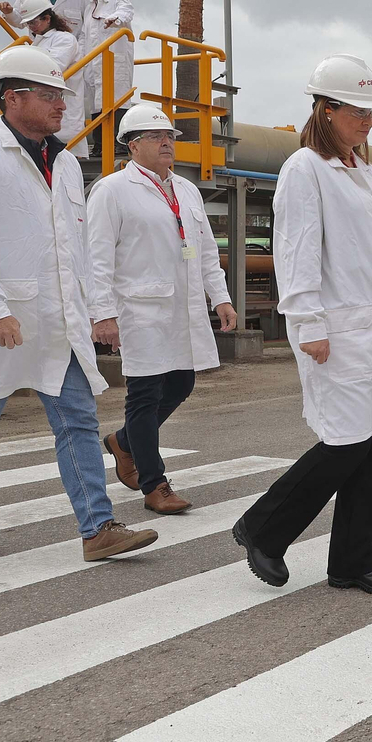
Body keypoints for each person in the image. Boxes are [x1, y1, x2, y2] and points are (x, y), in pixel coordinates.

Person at [232, 55, 372, 596]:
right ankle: (263, 528)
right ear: (324, 108)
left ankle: (354, 559)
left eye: (369, 111)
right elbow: (295, 253)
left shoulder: (363, 173)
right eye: (355, 110)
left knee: (369, 446)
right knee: (346, 443)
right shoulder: (305, 168)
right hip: (335, 335)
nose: (365, 120)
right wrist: (306, 322)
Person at [0, 45, 157, 563]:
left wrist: (95, 310)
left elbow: (77, 249)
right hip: (1, 318)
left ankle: (98, 527)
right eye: (49, 93)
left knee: (77, 419)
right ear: (11, 98)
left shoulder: (68, 163)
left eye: (62, 94)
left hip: (57, 319)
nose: (61, 104)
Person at [87, 104, 238, 516]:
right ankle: (155, 484)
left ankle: (123, 441)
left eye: (170, 137)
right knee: (145, 394)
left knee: (182, 384)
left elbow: (206, 249)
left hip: (182, 307)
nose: (167, 143)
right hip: (138, 309)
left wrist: (219, 297)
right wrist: (102, 313)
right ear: (133, 146)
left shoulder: (186, 189)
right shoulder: (112, 190)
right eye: (157, 138)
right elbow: (96, 256)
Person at [17, 0, 89, 156]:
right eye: (28, 23)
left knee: (67, 156)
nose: (31, 27)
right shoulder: (39, 42)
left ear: (47, 19)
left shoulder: (64, 39)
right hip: (46, 110)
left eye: (33, 22)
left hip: (64, 112)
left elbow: (53, 67)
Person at [75, 0, 135, 123]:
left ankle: (117, 145)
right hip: (93, 65)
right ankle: (100, 146)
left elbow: (126, 12)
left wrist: (114, 19)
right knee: (96, 105)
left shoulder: (118, 1)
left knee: (117, 103)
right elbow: (84, 36)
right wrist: (78, 58)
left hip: (114, 64)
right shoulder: (89, 9)